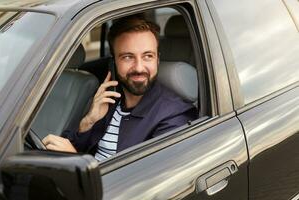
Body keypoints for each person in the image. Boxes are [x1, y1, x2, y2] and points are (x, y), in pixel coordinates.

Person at [42, 14, 197, 161]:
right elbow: (70, 147)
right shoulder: (109, 99)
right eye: (127, 57)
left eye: (148, 56)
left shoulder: (175, 117)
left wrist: (74, 159)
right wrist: (88, 121)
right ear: (113, 62)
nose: (139, 68)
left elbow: (138, 184)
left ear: (157, 60)